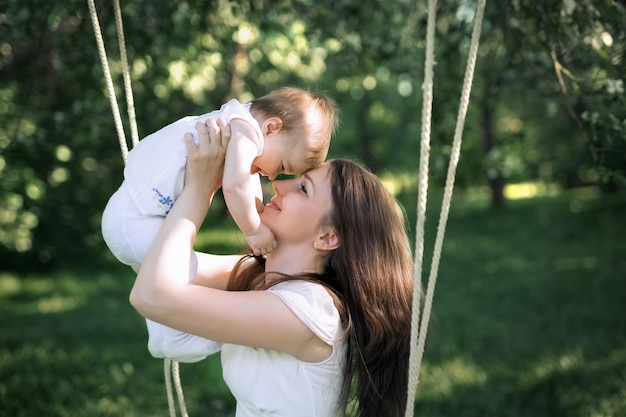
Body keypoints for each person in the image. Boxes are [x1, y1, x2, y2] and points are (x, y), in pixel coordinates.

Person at [129, 121, 415, 417]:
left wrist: (199, 192)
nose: (279, 184)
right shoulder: (262, 275)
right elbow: (147, 261)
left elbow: (151, 296)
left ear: (327, 237)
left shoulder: (311, 312)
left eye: (303, 188)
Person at [101, 86, 338, 262]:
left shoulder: (238, 122)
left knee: (178, 273)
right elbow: (235, 186)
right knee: (179, 274)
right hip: (134, 220)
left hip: (133, 212)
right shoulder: (246, 134)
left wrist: (255, 207)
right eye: (283, 166)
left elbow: (244, 179)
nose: (275, 176)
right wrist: (253, 229)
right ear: (272, 128)